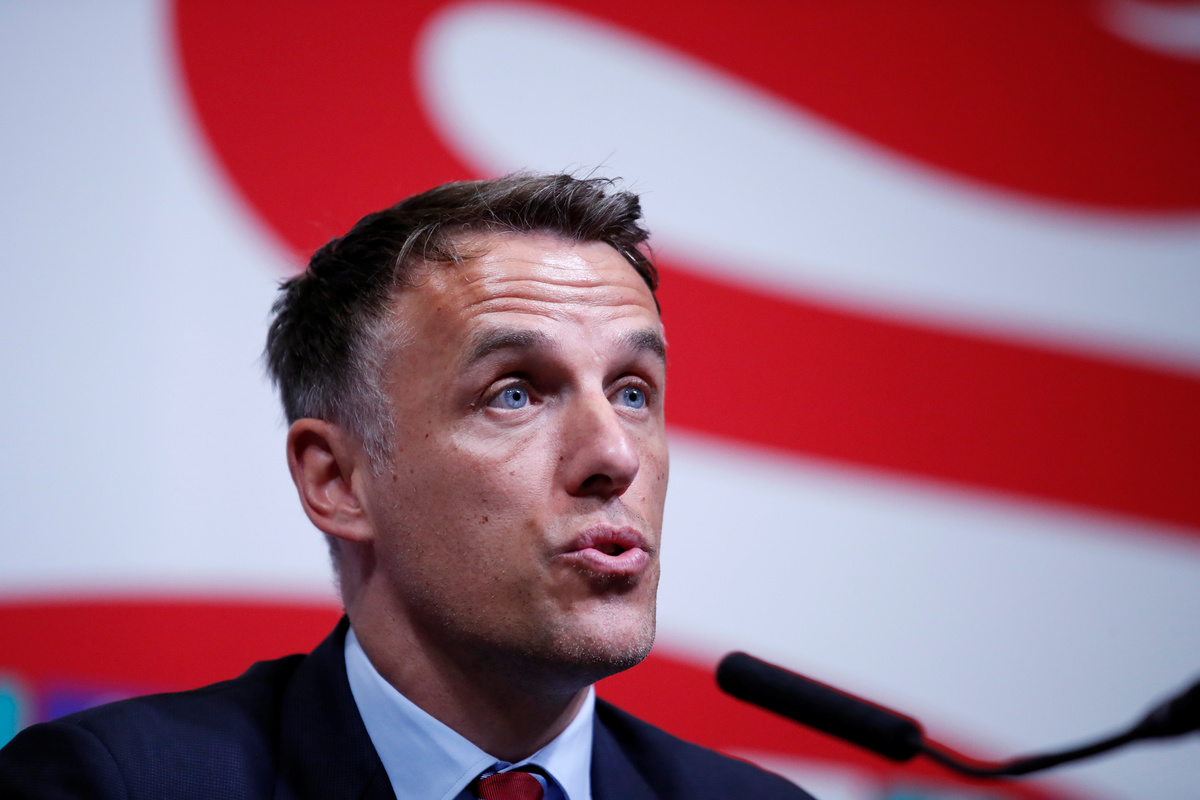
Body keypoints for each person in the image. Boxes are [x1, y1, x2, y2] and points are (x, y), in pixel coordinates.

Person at [0, 173, 814, 799]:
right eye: (515, 394)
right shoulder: (121, 784)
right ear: (336, 480)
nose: (615, 455)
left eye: (633, 392)